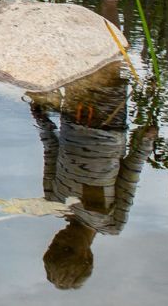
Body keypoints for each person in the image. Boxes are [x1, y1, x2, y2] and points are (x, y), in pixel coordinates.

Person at [28, 63, 151, 290]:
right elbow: (129, 178)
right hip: (109, 123)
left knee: (80, 63)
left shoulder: (54, 201)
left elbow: (51, 151)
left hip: (72, 116)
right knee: (108, 66)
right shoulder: (111, 224)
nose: (61, 240)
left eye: (54, 246)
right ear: (88, 255)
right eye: (67, 249)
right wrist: (144, 145)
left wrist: (42, 121)